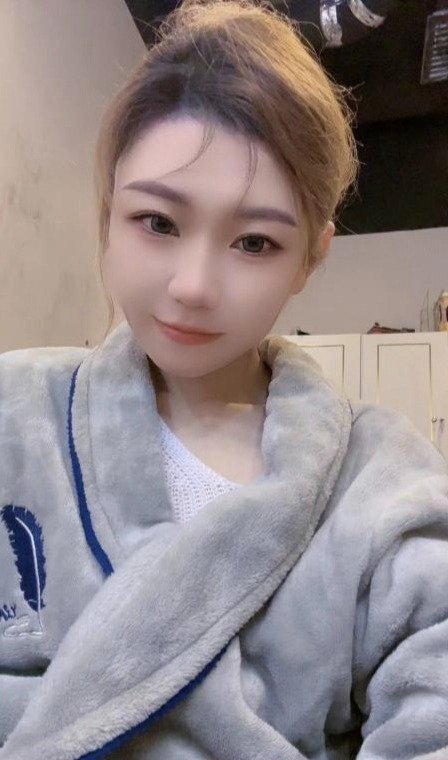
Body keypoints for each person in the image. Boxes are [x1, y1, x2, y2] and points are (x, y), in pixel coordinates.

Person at [1, 0, 448, 757]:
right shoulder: (15, 414)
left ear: (310, 258)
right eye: (158, 223)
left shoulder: (382, 480)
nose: (194, 286)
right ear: (108, 216)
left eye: (254, 242)